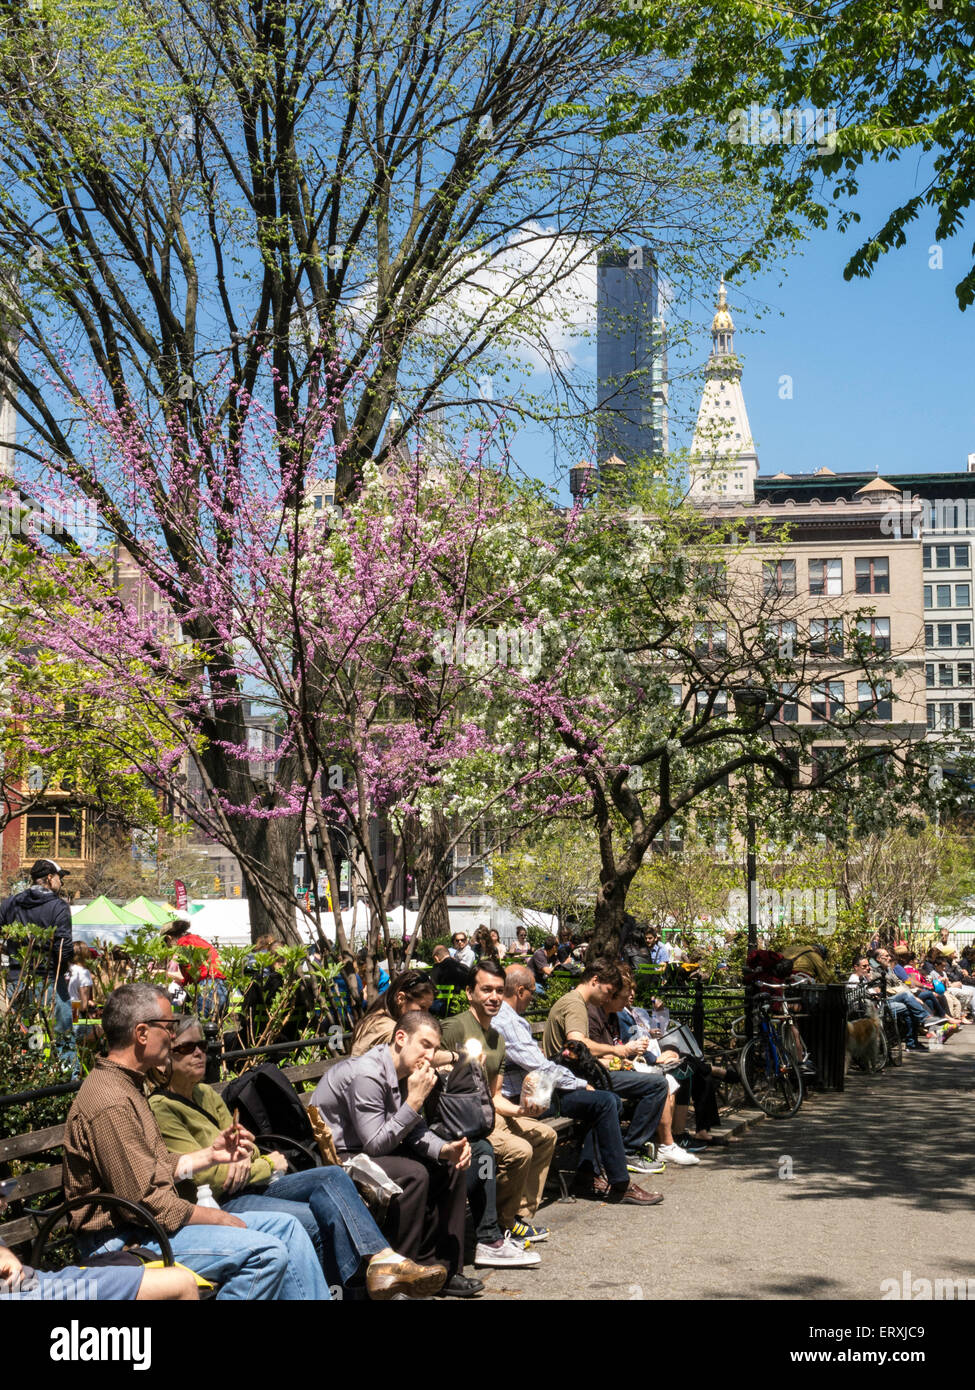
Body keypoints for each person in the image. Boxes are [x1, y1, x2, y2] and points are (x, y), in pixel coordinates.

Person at [62, 983, 329, 1300]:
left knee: (288, 1228)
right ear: (142, 1033)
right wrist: (215, 1217)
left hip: (147, 1225)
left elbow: (152, 1168)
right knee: (265, 1254)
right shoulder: (112, 1101)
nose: (173, 1037)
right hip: (120, 1239)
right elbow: (145, 1201)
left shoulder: (126, 1086)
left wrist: (209, 1155)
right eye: (169, 1026)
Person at [149, 1015, 442, 1298]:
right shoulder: (163, 1107)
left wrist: (245, 1157)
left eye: (202, 1046)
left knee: (332, 1176)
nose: (199, 1053)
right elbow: (210, 1178)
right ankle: (358, 1287)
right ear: (165, 1059)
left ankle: (381, 1260)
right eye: (186, 1048)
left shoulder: (205, 1095)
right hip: (222, 1201)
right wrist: (265, 1162)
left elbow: (244, 1146)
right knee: (320, 1216)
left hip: (254, 1184)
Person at [310, 1010, 483, 1298]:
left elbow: (415, 1132)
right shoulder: (368, 1074)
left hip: (373, 1150)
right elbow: (374, 1145)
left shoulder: (406, 1073)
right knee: (413, 1175)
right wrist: (415, 1101)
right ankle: (396, 1275)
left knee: (449, 1168)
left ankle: (441, 1269)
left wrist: (445, 1150)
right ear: (400, 1038)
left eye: (435, 1048)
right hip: (342, 1158)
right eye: (425, 1045)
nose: (430, 1055)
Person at [496, 965, 663, 1205]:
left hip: (541, 1087)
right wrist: (580, 1082)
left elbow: (537, 1061)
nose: (533, 998)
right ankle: (618, 1181)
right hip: (529, 1096)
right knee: (610, 1099)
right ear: (520, 991)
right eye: (532, 992)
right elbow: (565, 1051)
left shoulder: (513, 1017)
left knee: (608, 1100)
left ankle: (590, 1174)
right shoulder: (515, 1018)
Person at [442, 959, 555, 1257]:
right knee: (519, 1150)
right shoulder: (454, 1028)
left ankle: (515, 1216)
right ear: (469, 993)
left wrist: (521, 1111)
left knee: (545, 1136)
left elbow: (494, 1095)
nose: (493, 997)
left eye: (498, 991)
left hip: (489, 1114)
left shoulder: (498, 1039)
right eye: (486, 990)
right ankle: (501, 1228)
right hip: (461, 1122)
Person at [580, 967, 700, 1167]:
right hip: (601, 1073)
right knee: (660, 1083)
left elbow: (616, 1048)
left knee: (677, 1075)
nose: (627, 1001)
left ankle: (665, 1143)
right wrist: (626, 1054)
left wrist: (630, 1056)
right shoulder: (596, 1014)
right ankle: (636, 1148)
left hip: (619, 1066)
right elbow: (596, 1052)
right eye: (622, 997)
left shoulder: (612, 1015)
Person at [0, 858, 75, 1071]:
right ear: (50, 878)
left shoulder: (10, 903)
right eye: (60, 878)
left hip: (18, 980)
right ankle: (67, 1085)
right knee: (62, 1036)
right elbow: (64, 947)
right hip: (49, 979)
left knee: (27, 1037)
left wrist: (8, 951)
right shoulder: (58, 906)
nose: (61, 883)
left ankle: (27, 1081)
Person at [161, 919, 228, 1019]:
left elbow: (190, 974)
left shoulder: (184, 943)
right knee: (213, 1026)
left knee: (202, 1025)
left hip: (206, 985)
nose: (168, 947)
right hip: (220, 984)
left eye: (166, 943)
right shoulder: (195, 939)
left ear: (169, 938)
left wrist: (166, 974)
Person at [67, 943, 94, 1018]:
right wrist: (89, 1003)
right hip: (74, 1009)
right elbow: (83, 1006)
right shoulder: (84, 972)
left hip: (59, 1009)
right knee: (75, 1028)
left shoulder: (66, 968)